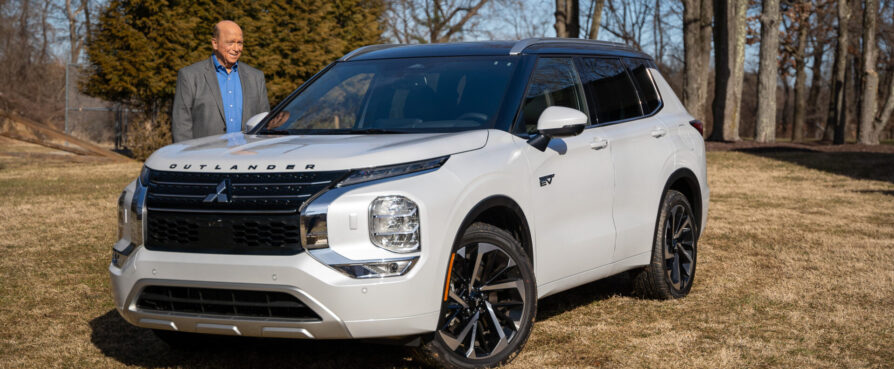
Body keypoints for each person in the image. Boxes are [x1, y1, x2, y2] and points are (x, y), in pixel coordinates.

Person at [172, 20, 270, 142]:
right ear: (215, 43)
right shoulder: (190, 76)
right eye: (230, 43)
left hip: (247, 157)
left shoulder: (256, 77)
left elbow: (264, 124)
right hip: (205, 157)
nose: (236, 48)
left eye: (240, 43)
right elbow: (181, 126)